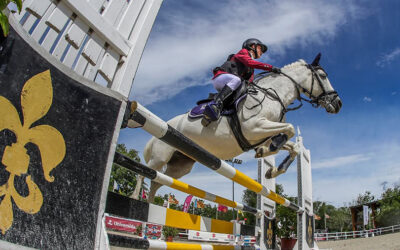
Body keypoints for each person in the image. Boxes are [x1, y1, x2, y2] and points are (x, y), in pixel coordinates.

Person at [202, 38, 281, 126]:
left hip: (231, 84)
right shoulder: (243, 52)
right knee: (237, 80)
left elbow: (249, 82)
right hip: (222, 78)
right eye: (260, 48)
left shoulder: (251, 70)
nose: (261, 52)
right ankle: (216, 104)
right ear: (252, 46)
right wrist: (270, 67)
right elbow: (250, 62)